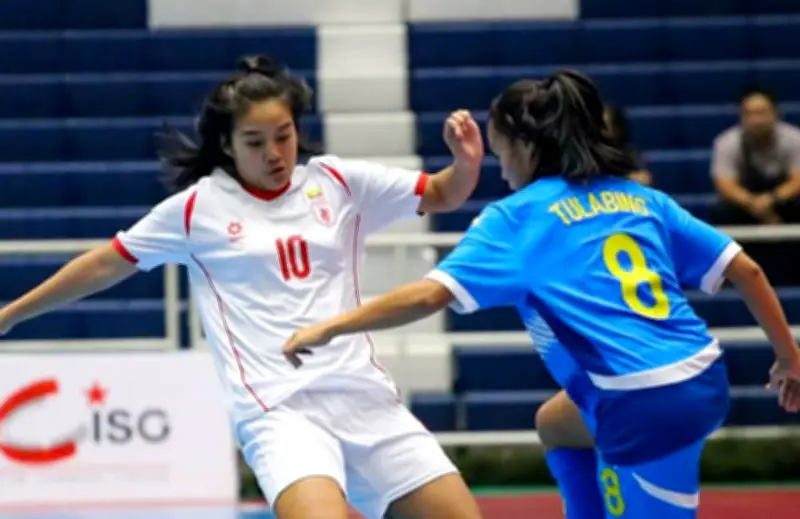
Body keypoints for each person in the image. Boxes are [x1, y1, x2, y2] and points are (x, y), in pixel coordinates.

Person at [283, 70, 800, 519]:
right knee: (556, 422)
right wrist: (788, 358)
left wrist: (331, 326)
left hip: (639, 402)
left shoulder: (516, 219)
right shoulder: (640, 196)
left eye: (500, 150)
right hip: (702, 375)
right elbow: (747, 270)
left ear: (526, 148)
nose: (499, 165)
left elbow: (425, 296)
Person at [0, 55, 488, 519]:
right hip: (279, 412)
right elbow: (105, 264)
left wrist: (466, 164)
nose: (275, 153)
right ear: (228, 145)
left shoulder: (338, 180)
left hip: (366, 399)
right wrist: (11, 313)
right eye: (256, 142)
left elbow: (442, 193)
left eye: (284, 135)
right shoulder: (198, 208)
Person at [711, 86, 800, 226]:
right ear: (741, 116)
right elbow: (725, 183)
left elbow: (797, 180)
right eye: (750, 114)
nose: (756, 121)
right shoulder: (726, 142)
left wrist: (772, 199)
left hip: (783, 200)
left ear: (776, 113)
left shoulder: (794, 138)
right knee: (720, 211)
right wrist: (751, 202)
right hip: (746, 204)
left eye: (762, 113)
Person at [603, 105, 653, 186]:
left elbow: (642, 180)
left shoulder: (629, 154)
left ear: (617, 130)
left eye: (604, 126)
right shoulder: (584, 153)